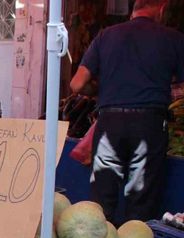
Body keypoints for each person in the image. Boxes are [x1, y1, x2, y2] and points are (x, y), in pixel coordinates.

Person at [70, 0, 184, 224]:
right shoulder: (174, 38)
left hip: (109, 124)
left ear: (133, 10)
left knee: (101, 206)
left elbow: (77, 84)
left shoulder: (105, 36)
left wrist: (101, 90)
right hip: (148, 127)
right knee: (140, 204)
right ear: (161, 10)